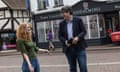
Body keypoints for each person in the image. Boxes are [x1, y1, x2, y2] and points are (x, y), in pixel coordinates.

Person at [58, 6, 88, 72]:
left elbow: (84, 31)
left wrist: (77, 38)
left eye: (63, 13)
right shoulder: (61, 23)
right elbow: (60, 36)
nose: (62, 15)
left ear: (69, 12)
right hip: (69, 48)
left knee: (83, 66)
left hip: (79, 47)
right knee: (72, 68)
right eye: (62, 13)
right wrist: (65, 41)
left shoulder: (78, 20)